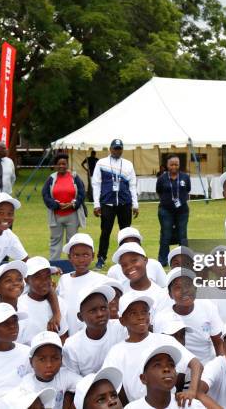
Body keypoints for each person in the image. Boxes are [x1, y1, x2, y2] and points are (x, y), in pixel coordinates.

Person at [102, 292, 203, 405]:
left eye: (144, 312)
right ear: (122, 321)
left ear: (149, 316)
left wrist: (192, 391)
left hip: (169, 403)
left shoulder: (165, 340)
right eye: (133, 313)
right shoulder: (117, 352)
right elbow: (110, 385)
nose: (140, 317)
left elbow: (196, 364)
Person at [156, 268, 224, 365]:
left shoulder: (208, 307)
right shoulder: (162, 317)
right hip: (176, 370)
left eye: (188, 285)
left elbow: (219, 343)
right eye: (178, 287)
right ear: (170, 295)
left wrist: (220, 369)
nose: (184, 291)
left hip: (206, 366)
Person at [92, 139, 139, 269]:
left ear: (122, 149)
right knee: (105, 232)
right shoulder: (101, 163)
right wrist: (96, 204)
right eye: (115, 148)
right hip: (107, 203)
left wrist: (135, 204)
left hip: (125, 203)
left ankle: (125, 258)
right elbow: (96, 184)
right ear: (110, 149)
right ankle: (101, 259)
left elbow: (133, 184)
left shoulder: (128, 164)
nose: (117, 151)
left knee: (125, 233)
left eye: (119, 148)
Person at [62, 283, 127, 376]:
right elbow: (73, 380)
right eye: (93, 310)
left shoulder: (122, 328)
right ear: (80, 317)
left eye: (104, 308)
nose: (100, 314)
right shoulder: (72, 346)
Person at [124, 344, 206, 409]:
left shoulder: (190, 405)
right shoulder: (132, 408)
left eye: (171, 365)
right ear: (144, 378)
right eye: (157, 365)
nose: (166, 369)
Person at [57, 233, 108, 334]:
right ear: (69, 257)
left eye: (86, 255)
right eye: (76, 255)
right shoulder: (64, 280)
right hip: (69, 335)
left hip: (93, 335)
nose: (81, 260)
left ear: (93, 256)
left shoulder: (102, 280)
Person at [42, 153, 87, 260]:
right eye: (59, 164)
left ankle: (72, 263)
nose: (62, 166)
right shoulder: (51, 178)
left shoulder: (74, 177)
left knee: (72, 241)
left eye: (64, 164)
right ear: (55, 166)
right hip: (56, 215)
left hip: (72, 215)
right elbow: (45, 195)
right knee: (55, 240)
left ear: (67, 165)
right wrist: (56, 205)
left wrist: (73, 204)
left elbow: (81, 193)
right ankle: (54, 263)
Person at [20, 331, 82, 409]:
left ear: (61, 359)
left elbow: (86, 386)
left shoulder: (64, 375)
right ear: (31, 362)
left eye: (55, 358)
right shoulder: (27, 383)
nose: (49, 365)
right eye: (42, 359)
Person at [19, 256, 68, 345]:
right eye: (38, 277)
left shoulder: (60, 303)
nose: (44, 281)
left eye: (47, 276)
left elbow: (63, 336)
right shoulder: (19, 305)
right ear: (26, 280)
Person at [156, 155, 191, 266]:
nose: (174, 166)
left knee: (182, 235)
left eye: (176, 164)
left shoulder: (185, 177)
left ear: (179, 165)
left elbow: (188, 189)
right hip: (165, 211)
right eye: (172, 164)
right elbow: (159, 191)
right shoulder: (162, 178)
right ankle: (162, 260)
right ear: (167, 165)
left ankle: (184, 259)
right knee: (166, 234)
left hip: (182, 211)